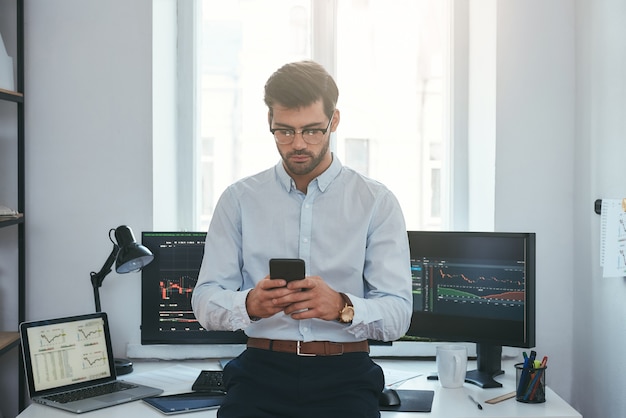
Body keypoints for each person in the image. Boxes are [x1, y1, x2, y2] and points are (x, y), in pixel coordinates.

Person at [191, 60, 412, 418]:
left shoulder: (376, 202)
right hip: (260, 371)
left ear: (333, 122)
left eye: (311, 131)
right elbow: (204, 300)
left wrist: (342, 306)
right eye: (284, 131)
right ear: (270, 123)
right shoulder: (239, 200)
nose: (297, 144)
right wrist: (247, 304)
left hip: (346, 376)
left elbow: (399, 315)